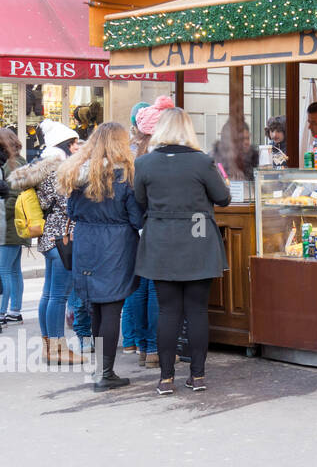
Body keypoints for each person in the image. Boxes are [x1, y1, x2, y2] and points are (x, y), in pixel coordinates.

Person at [134, 108, 230, 395]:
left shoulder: (144, 163)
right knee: (197, 311)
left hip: (161, 241)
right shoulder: (202, 162)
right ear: (188, 130)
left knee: (168, 311)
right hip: (198, 238)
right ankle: (197, 377)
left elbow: (140, 201)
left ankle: (165, 379)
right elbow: (223, 198)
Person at [59, 122, 144, 392]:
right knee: (111, 308)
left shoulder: (79, 174)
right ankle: (105, 373)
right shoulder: (124, 175)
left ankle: (100, 369)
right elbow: (136, 217)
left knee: (96, 307)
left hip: (87, 242)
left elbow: (72, 212)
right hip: (116, 246)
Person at [8, 120, 83, 364]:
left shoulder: (43, 167)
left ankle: (48, 346)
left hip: (48, 237)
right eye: (73, 144)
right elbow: (67, 205)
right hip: (62, 237)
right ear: (63, 145)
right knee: (59, 295)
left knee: (50, 293)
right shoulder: (58, 170)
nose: (76, 147)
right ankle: (58, 348)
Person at [122, 102, 160, 366]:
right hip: (154, 225)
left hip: (131, 226)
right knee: (155, 287)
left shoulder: (128, 151)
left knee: (137, 287)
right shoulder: (156, 154)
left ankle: (138, 344)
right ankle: (154, 347)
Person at [0, 128, 25, 324]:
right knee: (14, 270)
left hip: (8, 224)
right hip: (19, 223)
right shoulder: (21, 161)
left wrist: (3, 215)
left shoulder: (9, 165)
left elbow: (12, 197)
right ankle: (15, 310)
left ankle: (2, 313)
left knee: (4, 271)